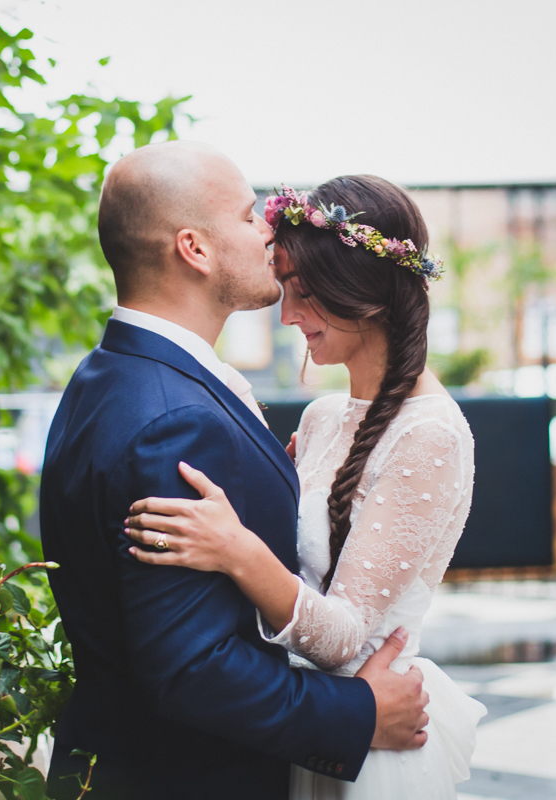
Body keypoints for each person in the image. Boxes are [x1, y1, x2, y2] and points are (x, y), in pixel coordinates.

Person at [39, 144, 430, 800]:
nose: (270, 231)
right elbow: (193, 668)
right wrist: (360, 715)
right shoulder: (173, 420)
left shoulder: (106, 377)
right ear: (194, 249)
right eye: (249, 217)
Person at [123, 176, 488, 799]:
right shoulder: (322, 417)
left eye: (306, 292)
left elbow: (346, 634)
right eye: (284, 286)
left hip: (371, 738)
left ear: (366, 293)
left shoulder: (431, 435)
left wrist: (236, 550)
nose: (287, 315)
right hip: (306, 722)